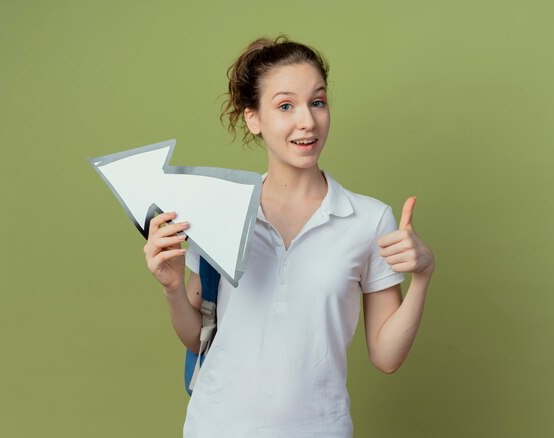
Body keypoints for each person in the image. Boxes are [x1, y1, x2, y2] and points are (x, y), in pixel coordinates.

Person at [143, 36, 435, 438]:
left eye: (317, 102)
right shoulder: (218, 210)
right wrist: (173, 289)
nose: (307, 122)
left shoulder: (369, 220)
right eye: (285, 106)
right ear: (253, 119)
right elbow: (198, 337)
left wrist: (422, 276)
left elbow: (386, 357)